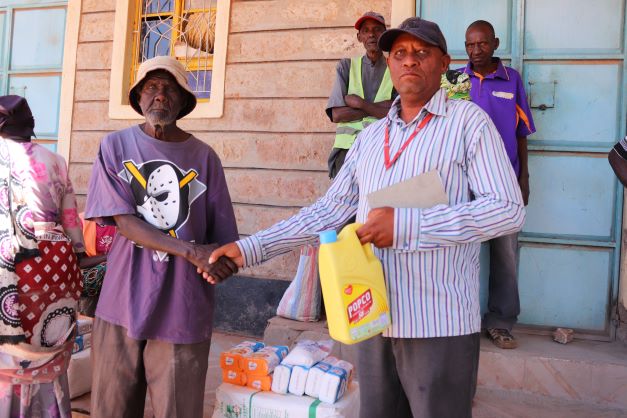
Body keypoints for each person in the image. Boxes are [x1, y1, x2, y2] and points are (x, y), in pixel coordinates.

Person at [205, 17, 525, 418]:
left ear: (444, 64)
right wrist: (249, 250)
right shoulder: (371, 138)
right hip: (370, 318)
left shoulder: (468, 124)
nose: (410, 61)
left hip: (437, 323)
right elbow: (328, 210)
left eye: (422, 53)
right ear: (389, 64)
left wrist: (408, 225)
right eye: (400, 53)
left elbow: (507, 209)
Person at [84, 56, 239, 417]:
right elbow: (124, 221)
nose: (160, 95)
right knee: (112, 406)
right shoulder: (114, 147)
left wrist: (220, 262)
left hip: (181, 306)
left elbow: (221, 239)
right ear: (138, 97)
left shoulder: (205, 158)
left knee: (177, 407)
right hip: (122, 297)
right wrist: (190, 250)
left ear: (184, 102)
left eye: (170, 88)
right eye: (151, 87)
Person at [0, 95, 85, 416]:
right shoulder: (56, 160)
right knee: (47, 342)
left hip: (10, 260)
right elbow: (71, 221)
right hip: (56, 266)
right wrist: (79, 253)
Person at [461, 20, 536, 349]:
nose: (475, 51)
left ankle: (501, 321)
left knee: (505, 253)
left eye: (481, 44)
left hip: (504, 181)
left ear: (495, 43)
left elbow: (522, 133)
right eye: (469, 45)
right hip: (462, 181)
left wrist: (524, 178)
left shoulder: (512, 80)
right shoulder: (456, 81)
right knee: (459, 251)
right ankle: (459, 320)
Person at [326, 11, 395, 178]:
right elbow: (336, 114)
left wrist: (360, 104)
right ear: (359, 37)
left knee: (377, 201)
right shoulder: (346, 67)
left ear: (385, 35)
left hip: (381, 149)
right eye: (366, 30)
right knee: (343, 202)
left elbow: (397, 111)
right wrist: (378, 108)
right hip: (346, 151)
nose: (372, 34)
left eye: (377, 29)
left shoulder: (395, 68)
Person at [77, 213, 117, 317]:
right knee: (106, 269)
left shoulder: (121, 221)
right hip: (86, 275)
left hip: (116, 272)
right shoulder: (81, 221)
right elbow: (79, 262)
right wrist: (109, 257)